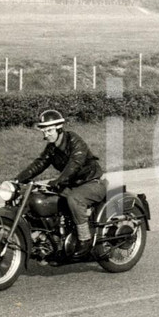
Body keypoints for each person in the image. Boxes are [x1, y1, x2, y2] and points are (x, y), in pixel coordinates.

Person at [14, 110, 107, 257]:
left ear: (59, 128)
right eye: (43, 131)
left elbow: (74, 164)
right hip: (72, 184)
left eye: (49, 130)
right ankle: (50, 236)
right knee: (40, 197)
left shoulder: (74, 141)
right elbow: (39, 164)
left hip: (92, 182)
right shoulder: (52, 148)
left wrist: (59, 181)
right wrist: (18, 180)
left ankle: (85, 239)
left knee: (74, 199)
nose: (46, 134)